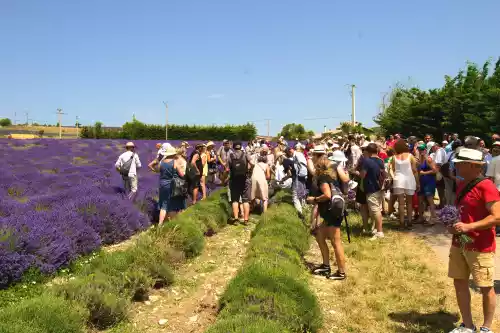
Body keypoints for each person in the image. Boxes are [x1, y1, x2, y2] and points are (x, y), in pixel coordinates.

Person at [447, 148, 500, 333]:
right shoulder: (462, 184)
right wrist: (452, 224)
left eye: (459, 163)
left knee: (485, 287)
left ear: (471, 165)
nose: (456, 166)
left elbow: (497, 217)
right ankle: (467, 326)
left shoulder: (487, 186)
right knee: (459, 282)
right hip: (459, 243)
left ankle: (486, 328)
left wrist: (469, 227)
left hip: (480, 246)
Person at [307, 155, 347, 280]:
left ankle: (341, 273)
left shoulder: (323, 178)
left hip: (332, 213)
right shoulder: (330, 177)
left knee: (336, 242)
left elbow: (327, 195)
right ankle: (325, 265)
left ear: (318, 167)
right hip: (332, 212)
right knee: (319, 234)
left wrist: (314, 199)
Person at [390, 139, 419, 229]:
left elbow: (392, 169)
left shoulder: (394, 157)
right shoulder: (410, 156)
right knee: (409, 203)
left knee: (401, 203)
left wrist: (393, 176)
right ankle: (409, 222)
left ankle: (401, 222)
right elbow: (414, 170)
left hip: (398, 180)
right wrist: (418, 183)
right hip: (409, 179)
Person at [154, 146, 186, 225]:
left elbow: (157, 170)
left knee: (163, 205)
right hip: (172, 185)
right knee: (172, 204)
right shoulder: (174, 162)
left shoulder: (161, 162)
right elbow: (182, 174)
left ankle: (160, 224)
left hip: (162, 184)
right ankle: (173, 224)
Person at [360, 143, 386, 240]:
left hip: (371, 188)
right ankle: (376, 229)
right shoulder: (380, 160)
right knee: (376, 209)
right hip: (380, 188)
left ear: (368, 151)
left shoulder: (367, 161)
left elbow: (363, 175)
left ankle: (379, 232)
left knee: (375, 210)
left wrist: (356, 172)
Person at [227, 141, 251, 225]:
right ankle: (246, 220)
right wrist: (248, 169)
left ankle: (236, 219)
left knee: (235, 200)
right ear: (241, 147)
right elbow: (252, 164)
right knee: (245, 200)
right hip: (245, 179)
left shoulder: (230, 156)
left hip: (234, 180)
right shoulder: (245, 154)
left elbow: (227, 169)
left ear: (233, 147)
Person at [281, 145, 308, 219]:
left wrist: (300, 175)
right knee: (301, 194)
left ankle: (300, 214)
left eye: (288, 154)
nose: (288, 156)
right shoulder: (297, 155)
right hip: (301, 177)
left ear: (290, 151)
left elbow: (303, 165)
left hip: (299, 177)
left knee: (295, 196)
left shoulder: (297, 155)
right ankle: (305, 211)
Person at [416, 143, 438, 225]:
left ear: (426, 150)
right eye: (419, 149)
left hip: (429, 182)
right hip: (421, 182)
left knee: (430, 200)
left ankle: (433, 218)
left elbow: (435, 170)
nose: (421, 151)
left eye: (422, 149)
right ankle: (421, 217)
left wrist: (424, 173)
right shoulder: (418, 160)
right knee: (420, 200)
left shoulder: (428, 159)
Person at [251, 146, 271, 213]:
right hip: (261, 179)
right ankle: (265, 213)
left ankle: (251, 209)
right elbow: (268, 177)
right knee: (265, 198)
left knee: (253, 196)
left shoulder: (256, 165)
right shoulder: (266, 165)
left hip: (253, 179)